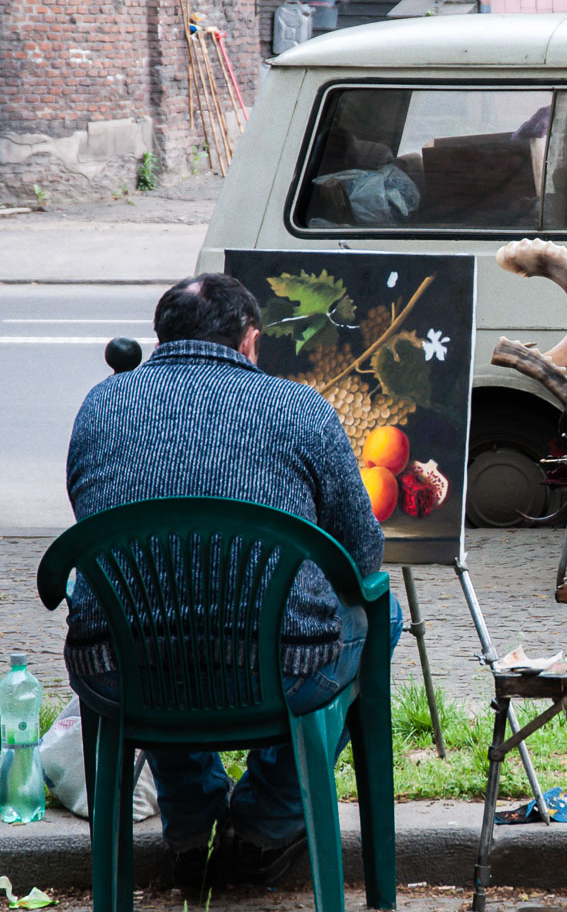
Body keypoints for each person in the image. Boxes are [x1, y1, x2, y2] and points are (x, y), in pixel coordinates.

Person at [63, 273, 400, 892]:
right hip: (278, 674)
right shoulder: (301, 408)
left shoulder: (99, 408)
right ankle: (266, 827)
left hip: (125, 672)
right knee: (382, 613)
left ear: (160, 339)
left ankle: (190, 827)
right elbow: (361, 555)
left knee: (154, 612)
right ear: (250, 342)